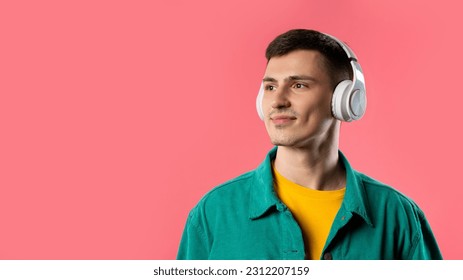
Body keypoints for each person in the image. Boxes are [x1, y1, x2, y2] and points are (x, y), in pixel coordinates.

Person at [177, 29, 442, 260]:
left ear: (344, 100)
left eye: (298, 85)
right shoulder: (214, 213)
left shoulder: (397, 215)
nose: (277, 100)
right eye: (270, 87)